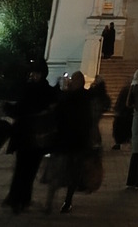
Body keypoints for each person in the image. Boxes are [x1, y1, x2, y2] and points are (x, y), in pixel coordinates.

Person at [2, 60, 58, 213]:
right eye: (32, 73)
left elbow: (21, 109)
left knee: (25, 170)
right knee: (25, 169)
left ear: (42, 74)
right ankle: (20, 198)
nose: (33, 76)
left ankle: (19, 198)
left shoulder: (37, 90)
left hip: (31, 136)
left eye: (36, 73)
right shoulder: (43, 90)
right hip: (33, 138)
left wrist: (9, 109)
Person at [46, 71, 93, 214]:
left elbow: (57, 115)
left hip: (67, 141)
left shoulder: (68, 97)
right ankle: (65, 201)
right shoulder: (83, 97)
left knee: (63, 172)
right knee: (69, 172)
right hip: (74, 141)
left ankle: (60, 201)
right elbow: (88, 121)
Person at [111, 78, 134, 150]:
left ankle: (121, 143)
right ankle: (126, 142)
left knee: (121, 129)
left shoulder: (125, 91)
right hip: (127, 114)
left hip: (123, 113)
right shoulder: (131, 91)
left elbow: (120, 102)